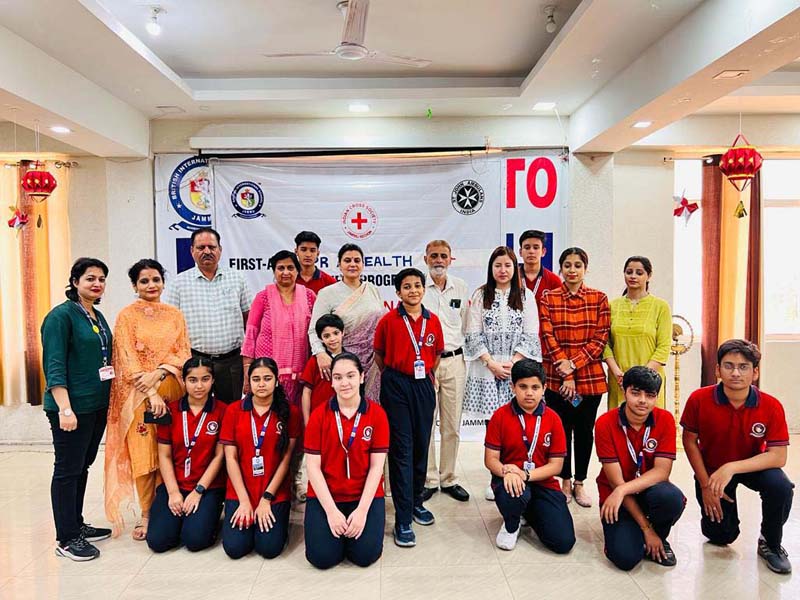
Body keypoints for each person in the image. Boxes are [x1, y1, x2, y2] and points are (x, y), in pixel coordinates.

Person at [681, 339, 794, 574]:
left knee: (780, 486)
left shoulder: (771, 406)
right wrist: (705, 484)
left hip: (752, 465)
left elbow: (778, 457)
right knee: (721, 536)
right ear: (717, 369)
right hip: (712, 471)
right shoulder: (698, 399)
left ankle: (771, 543)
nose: (735, 373)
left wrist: (731, 467)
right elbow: (689, 441)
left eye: (743, 367)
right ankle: (721, 523)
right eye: (728, 366)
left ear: (755, 373)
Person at [105, 259, 191, 541]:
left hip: (171, 390)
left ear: (163, 283)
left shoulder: (174, 315)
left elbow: (183, 352)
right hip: (138, 396)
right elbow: (126, 357)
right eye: (144, 281)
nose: (151, 285)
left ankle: (169, 505)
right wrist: (151, 390)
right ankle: (146, 513)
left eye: (156, 279)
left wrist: (160, 372)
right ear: (135, 286)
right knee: (144, 454)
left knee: (171, 449)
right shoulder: (126, 316)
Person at [42, 258, 113, 561]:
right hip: (72, 408)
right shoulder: (60, 317)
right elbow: (54, 364)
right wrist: (65, 409)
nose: (97, 284)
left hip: (95, 405)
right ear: (75, 282)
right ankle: (66, 538)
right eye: (90, 278)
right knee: (67, 470)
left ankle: (76, 523)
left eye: (101, 279)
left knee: (82, 465)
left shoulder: (95, 314)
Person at [464, 246, 541, 501]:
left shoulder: (526, 295)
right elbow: (472, 333)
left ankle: (517, 474)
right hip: (488, 371)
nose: (503, 270)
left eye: (507, 265)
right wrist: (491, 363)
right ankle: (496, 478)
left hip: (516, 372)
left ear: (514, 268)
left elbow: (531, 334)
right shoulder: (481, 294)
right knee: (494, 427)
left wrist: (512, 364)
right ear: (491, 269)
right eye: (497, 265)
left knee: (517, 425)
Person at [375, 268, 444, 548]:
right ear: (398, 292)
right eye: (407, 286)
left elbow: (436, 355)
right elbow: (379, 355)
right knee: (402, 449)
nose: (413, 290)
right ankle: (402, 519)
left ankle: (416, 502)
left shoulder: (433, 320)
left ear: (424, 289)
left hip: (423, 384)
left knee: (421, 445)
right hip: (396, 385)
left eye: (417, 285)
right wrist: (398, 377)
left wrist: (423, 375)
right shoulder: (388, 321)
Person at [539, 247, 610, 508]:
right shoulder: (548, 298)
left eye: (578, 265)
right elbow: (547, 336)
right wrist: (565, 371)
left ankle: (580, 482)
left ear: (585, 269)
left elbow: (600, 339)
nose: (572, 270)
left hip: (589, 379)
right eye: (567, 265)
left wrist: (573, 366)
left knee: (584, 432)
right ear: (560, 269)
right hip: (556, 378)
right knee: (561, 431)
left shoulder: (599, 298)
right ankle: (565, 480)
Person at [304, 353, 389, 568]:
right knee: (322, 558)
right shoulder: (318, 416)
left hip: (363, 494)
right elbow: (312, 468)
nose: (344, 383)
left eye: (350, 376)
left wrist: (362, 511)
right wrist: (331, 512)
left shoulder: (377, 415)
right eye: (338, 377)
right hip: (327, 494)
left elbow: (377, 467)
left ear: (361, 377)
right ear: (331, 382)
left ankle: (353, 532)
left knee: (365, 556)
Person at [595, 366, 685, 571]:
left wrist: (622, 489)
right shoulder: (605, 423)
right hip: (617, 499)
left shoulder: (665, 419)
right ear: (624, 391)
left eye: (650, 395)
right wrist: (645, 528)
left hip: (647, 491)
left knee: (670, 498)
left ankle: (659, 536)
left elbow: (662, 472)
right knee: (626, 559)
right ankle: (644, 533)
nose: (643, 400)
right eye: (635, 393)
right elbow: (615, 482)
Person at [485, 359, 575, 554]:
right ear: (513, 387)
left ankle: (529, 511)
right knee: (515, 491)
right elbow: (490, 459)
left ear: (544, 388)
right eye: (523, 387)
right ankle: (512, 524)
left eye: (535, 387)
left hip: (542, 482)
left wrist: (525, 474)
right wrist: (507, 472)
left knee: (563, 542)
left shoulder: (553, 419)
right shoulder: (500, 416)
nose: (529, 393)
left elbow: (556, 466)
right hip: (509, 480)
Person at [219, 358, 301, 559]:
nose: (261, 384)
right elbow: (230, 458)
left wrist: (266, 498)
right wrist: (243, 500)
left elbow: (287, 459)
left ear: (277, 381)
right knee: (235, 549)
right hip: (241, 490)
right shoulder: (234, 411)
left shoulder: (290, 412)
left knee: (269, 549)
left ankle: (276, 520)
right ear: (249, 382)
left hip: (274, 492)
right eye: (256, 379)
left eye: (267, 378)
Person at [164, 227, 253, 404]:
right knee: (197, 410)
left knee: (229, 411)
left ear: (220, 249)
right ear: (192, 251)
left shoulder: (237, 278)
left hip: (231, 362)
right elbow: (170, 327)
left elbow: (248, 320)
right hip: (195, 361)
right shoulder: (179, 283)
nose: (207, 251)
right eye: (201, 247)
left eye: (212, 247)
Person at [147, 358, 227, 553]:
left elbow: (219, 457)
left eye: (205, 379)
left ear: (213, 380)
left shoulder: (223, 411)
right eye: (192, 380)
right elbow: (164, 455)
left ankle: (206, 517)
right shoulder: (170, 410)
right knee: (158, 542)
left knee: (195, 541)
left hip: (207, 487)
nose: (199, 386)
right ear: (183, 381)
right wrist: (173, 492)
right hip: (175, 484)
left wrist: (198, 491)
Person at [421, 240, 470, 503]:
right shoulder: (418, 287)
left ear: (451, 259)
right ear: (425, 259)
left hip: (454, 361)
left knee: (451, 425)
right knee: (427, 424)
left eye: (443, 256)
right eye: (434, 256)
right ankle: (429, 479)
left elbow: (466, 325)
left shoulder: (460, 287)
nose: (438, 260)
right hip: (426, 365)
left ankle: (449, 478)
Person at [308, 243, 385, 400]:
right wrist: (320, 354)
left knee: (372, 406)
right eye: (347, 260)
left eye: (357, 260)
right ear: (339, 264)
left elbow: (382, 325)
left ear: (363, 264)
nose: (352, 264)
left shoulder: (372, 289)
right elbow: (313, 330)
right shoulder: (327, 293)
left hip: (374, 362)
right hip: (344, 362)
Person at [242, 250, 316, 406]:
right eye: (281, 268)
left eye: (290, 268)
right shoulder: (262, 297)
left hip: (301, 374)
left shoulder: (309, 296)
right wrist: (247, 373)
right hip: (267, 374)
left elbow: (315, 333)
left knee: (296, 416)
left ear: (297, 271)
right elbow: (250, 334)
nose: (286, 272)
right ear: (274, 271)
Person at [603, 256, 672, 409]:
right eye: (629, 272)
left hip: (650, 380)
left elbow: (663, 347)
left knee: (649, 420)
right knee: (618, 420)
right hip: (619, 379)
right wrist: (617, 372)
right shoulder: (611, 306)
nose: (633, 276)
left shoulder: (661, 307)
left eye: (639, 273)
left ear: (649, 275)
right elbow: (605, 344)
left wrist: (640, 378)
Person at [301, 314, 346, 426]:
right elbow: (306, 392)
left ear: (343, 332)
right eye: (326, 336)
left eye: (336, 333)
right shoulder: (314, 361)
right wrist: (307, 422)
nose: (332, 339)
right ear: (320, 338)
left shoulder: (350, 360)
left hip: (344, 419)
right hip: (319, 419)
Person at [518, 230, 562, 310]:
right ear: (520, 252)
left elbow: (558, 311)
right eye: (527, 248)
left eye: (536, 248)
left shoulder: (554, 281)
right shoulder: (512, 278)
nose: (531, 251)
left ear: (543, 252)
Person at [294, 230, 337, 296]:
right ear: (296, 251)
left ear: (318, 253)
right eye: (303, 250)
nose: (308, 254)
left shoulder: (330, 282)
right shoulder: (289, 279)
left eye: (312, 250)